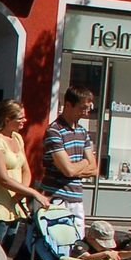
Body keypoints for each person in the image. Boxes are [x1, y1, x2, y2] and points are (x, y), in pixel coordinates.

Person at [0, 99, 48, 255]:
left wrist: (21, 193)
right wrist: (33, 192)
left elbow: (26, 169)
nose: (24, 121)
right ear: (7, 120)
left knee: (6, 253)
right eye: (20, 118)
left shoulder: (17, 138)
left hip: (14, 205)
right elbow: (3, 178)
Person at [41, 86, 100, 235]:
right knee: (57, 244)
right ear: (68, 105)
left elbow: (95, 169)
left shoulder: (82, 131)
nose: (86, 112)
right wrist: (85, 163)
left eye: (88, 108)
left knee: (77, 243)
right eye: (82, 108)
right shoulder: (54, 131)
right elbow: (68, 170)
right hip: (57, 198)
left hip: (76, 198)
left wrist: (78, 166)